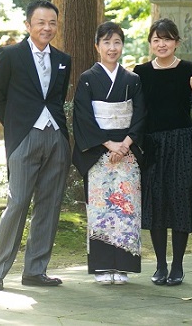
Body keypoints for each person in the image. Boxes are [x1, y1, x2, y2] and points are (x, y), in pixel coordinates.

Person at [0, 0, 72, 291]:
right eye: (41, 23)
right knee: (18, 201)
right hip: (24, 136)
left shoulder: (63, 59)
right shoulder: (10, 55)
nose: (47, 28)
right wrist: (17, 125)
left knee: (50, 203)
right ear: (28, 25)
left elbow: (56, 98)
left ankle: (36, 270)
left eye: (52, 23)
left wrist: (58, 131)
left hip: (56, 136)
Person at [133, 18, 192, 287]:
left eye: (167, 39)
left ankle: (177, 265)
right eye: (156, 39)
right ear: (151, 43)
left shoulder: (191, 70)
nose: (161, 44)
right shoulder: (140, 72)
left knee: (179, 203)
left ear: (176, 42)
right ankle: (160, 265)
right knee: (156, 204)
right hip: (153, 145)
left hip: (182, 143)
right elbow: (138, 112)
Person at [72, 22, 146, 285]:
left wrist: (125, 144)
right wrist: (109, 144)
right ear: (97, 46)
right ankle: (103, 267)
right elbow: (83, 117)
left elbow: (140, 115)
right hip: (100, 154)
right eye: (106, 42)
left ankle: (123, 266)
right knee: (102, 209)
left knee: (126, 209)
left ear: (122, 45)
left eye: (116, 42)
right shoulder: (88, 79)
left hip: (127, 153)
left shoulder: (133, 80)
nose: (112, 48)